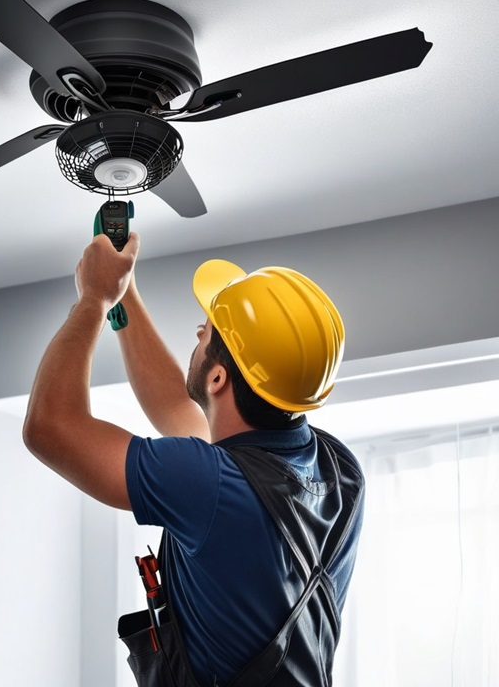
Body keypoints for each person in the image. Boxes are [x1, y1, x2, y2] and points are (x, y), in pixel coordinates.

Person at [23, 231, 365, 687]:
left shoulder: (211, 485)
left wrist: (93, 300)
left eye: (206, 334)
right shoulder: (339, 471)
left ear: (219, 376)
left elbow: (50, 427)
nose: (199, 332)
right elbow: (182, 414)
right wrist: (124, 296)